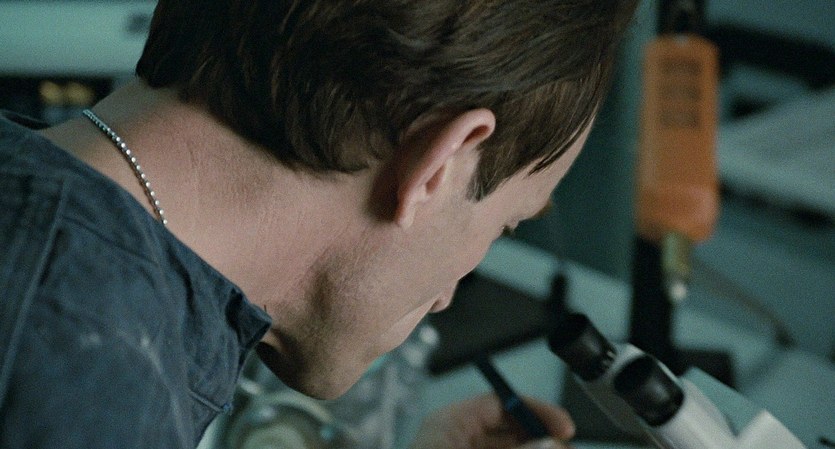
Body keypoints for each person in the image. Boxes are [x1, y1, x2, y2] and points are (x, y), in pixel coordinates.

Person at [0, 0, 637, 448]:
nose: (446, 296)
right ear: (440, 165)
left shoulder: (72, 295)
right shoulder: (89, 386)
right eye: (504, 226)